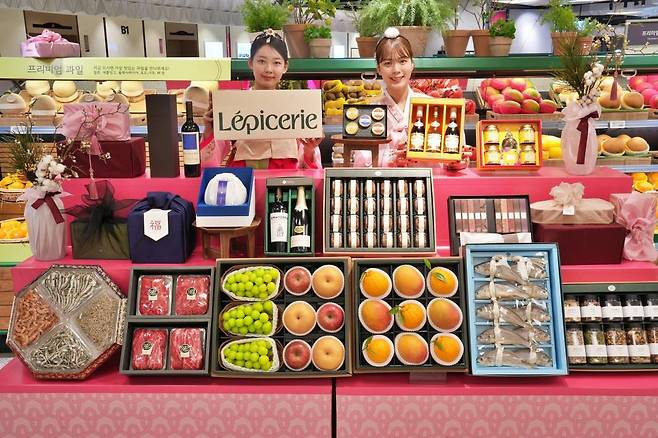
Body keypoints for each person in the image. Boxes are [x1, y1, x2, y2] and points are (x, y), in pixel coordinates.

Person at [200, 29, 322, 169]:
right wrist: (210, 131)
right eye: (262, 61)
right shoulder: (234, 103)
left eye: (276, 63)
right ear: (251, 63)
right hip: (243, 178)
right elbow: (208, 166)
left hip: (285, 179)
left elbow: (307, 165)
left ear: (285, 66)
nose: (269, 69)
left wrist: (309, 149)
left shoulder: (295, 105)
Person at [353, 27, 427, 167]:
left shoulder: (430, 106)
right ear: (379, 69)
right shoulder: (367, 113)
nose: (396, 70)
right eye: (387, 63)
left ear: (412, 64)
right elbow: (361, 165)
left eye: (403, 61)